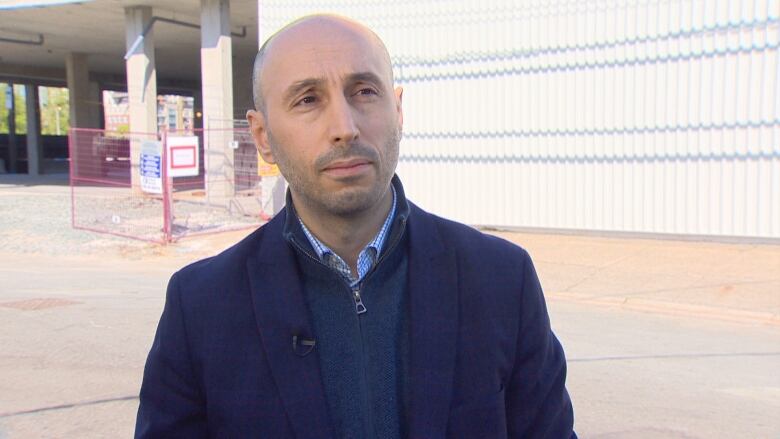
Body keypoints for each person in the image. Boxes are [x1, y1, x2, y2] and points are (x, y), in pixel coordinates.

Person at [135, 14, 576, 439]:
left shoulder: (501, 279)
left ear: (398, 110)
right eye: (307, 99)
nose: (344, 128)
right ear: (262, 135)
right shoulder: (201, 307)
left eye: (364, 91)